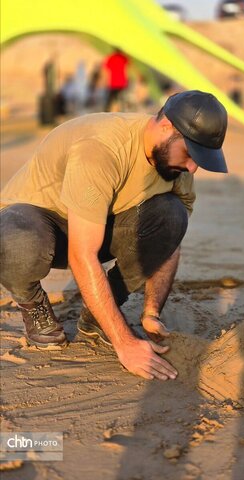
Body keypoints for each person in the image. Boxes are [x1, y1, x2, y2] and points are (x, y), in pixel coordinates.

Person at [0, 90, 228, 381]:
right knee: (17, 240)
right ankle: (33, 305)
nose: (192, 167)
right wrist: (125, 343)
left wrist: (151, 311)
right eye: (190, 153)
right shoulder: (101, 149)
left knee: (171, 215)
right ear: (166, 126)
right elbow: (82, 255)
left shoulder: (175, 165)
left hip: (98, 223)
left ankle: (98, 317)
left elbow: (171, 240)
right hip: (38, 223)